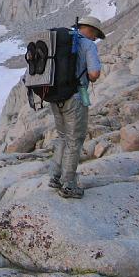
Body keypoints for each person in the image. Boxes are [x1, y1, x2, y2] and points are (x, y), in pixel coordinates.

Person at [48, 15, 104, 199]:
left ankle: (55, 177)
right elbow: (94, 73)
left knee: (63, 137)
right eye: (96, 34)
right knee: (75, 140)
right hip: (75, 98)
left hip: (55, 96)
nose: (96, 38)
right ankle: (68, 184)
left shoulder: (59, 41)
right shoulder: (88, 45)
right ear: (90, 29)